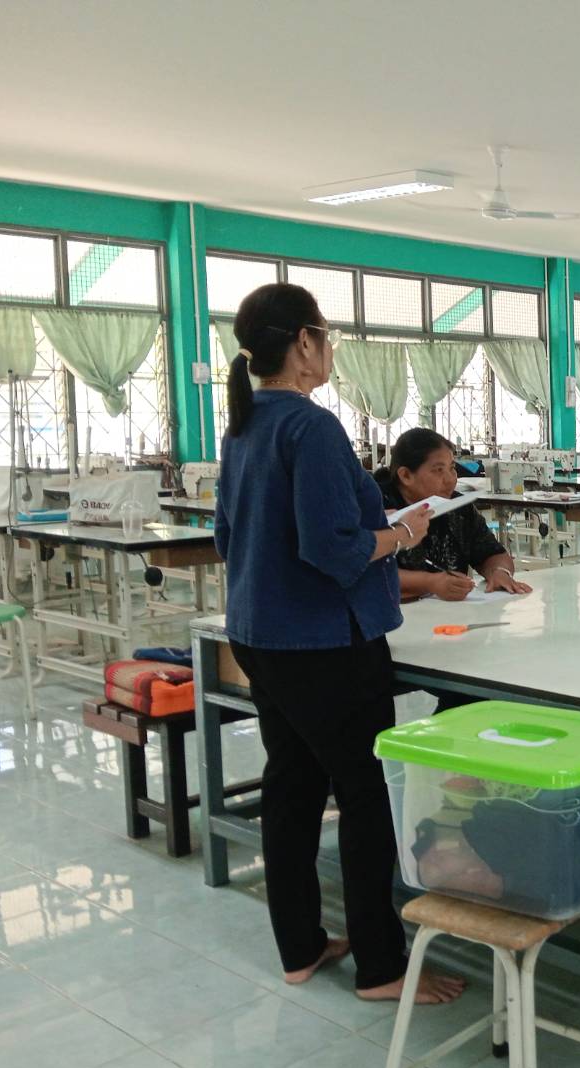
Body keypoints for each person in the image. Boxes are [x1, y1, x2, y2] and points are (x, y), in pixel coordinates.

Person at [214, 283, 463, 1006]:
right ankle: (382, 968)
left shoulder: (243, 425)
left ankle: (300, 947)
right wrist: (400, 534)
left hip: (261, 633)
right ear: (305, 343)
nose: (329, 352)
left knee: (292, 786)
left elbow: (230, 537)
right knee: (364, 794)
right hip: (323, 641)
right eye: (327, 338)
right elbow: (334, 549)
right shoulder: (311, 427)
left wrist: (368, 531)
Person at [375, 428, 532, 600]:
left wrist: (500, 572)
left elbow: (492, 553)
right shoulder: (376, 508)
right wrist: (430, 583)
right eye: (438, 470)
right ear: (406, 476)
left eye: (452, 468)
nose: (450, 479)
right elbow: (365, 568)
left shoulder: (457, 507)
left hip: (449, 611)